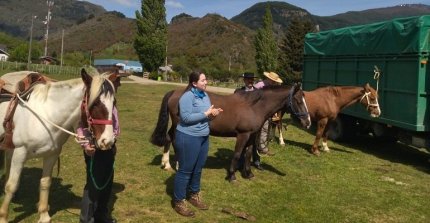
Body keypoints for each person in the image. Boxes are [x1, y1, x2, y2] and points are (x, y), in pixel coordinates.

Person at [173, 71, 223, 217]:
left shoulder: (205, 96)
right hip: (188, 137)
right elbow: (186, 118)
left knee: (198, 168)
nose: (206, 82)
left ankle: (193, 195)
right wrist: (206, 114)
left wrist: (212, 115)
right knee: (185, 170)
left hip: (203, 137)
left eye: (206, 79)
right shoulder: (187, 97)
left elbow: (204, 118)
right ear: (194, 83)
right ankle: (178, 201)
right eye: (203, 80)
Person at [78, 73, 121, 223]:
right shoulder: (90, 103)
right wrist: (86, 145)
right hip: (93, 149)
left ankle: (102, 215)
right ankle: (87, 219)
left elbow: (114, 124)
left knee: (107, 183)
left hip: (109, 146)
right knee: (93, 185)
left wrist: (114, 137)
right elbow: (81, 126)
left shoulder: (108, 102)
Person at [234, 72, 264, 170]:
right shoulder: (238, 92)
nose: (250, 81)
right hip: (243, 122)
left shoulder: (259, 92)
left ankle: (256, 161)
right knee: (242, 142)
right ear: (244, 80)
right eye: (248, 79)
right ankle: (240, 162)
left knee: (255, 143)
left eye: (252, 79)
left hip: (255, 122)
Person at [253, 71, 283, 157]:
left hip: (267, 112)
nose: (274, 82)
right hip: (257, 111)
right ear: (269, 79)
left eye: (275, 81)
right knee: (255, 129)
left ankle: (263, 149)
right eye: (273, 81)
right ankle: (252, 146)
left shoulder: (274, 87)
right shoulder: (259, 85)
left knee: (265, 129)